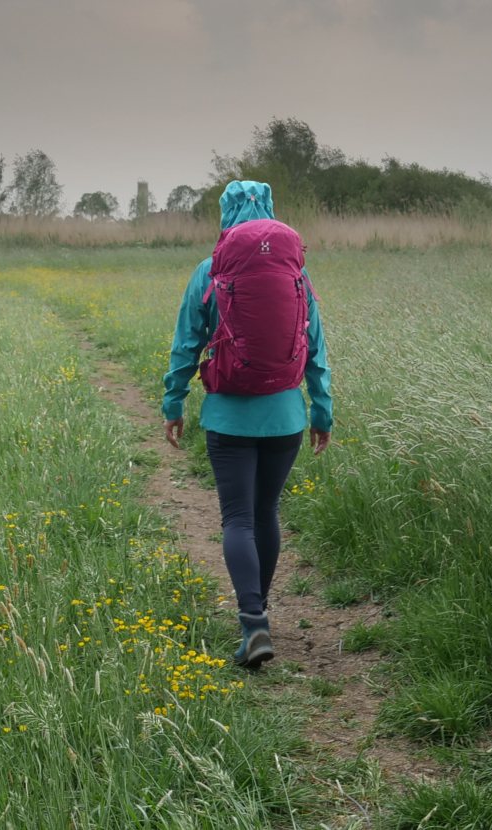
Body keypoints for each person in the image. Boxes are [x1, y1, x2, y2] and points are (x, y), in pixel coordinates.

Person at [161, 180, 332, 668]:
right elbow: (314, 346)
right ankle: (260, 610)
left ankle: (252, 621)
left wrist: (173, 403)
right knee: (266, 514)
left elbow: (185, 343)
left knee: (236, 517)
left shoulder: (209, 270)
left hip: (228, 416)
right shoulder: (295, 272)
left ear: (225, 214)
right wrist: (322, 411)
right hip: (286, 417)